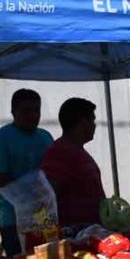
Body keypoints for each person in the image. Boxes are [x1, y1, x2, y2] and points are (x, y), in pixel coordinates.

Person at [0, 89, 53, 256]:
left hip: (45, 218)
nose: (33, 115)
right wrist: (34, 186)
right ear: (13, 112)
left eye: (36, 110)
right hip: (14, 221)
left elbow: (53, 171)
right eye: (26, 110)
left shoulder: (45, 137)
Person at [40, 98, 105, 228]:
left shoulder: (77, 149)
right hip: (74, 234)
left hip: (90, 230)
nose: (95, 125)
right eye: (92, 119)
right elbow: (47, 197)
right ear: (82, 122)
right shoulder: (60, 152)